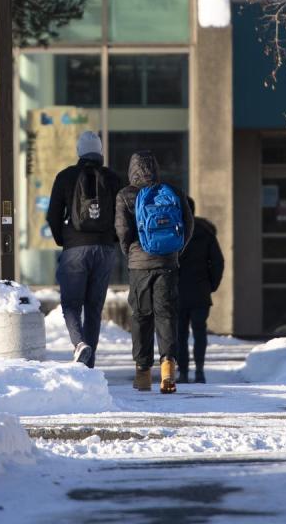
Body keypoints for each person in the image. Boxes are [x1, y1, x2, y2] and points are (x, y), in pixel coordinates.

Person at [115, 151, 194, 394]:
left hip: (139, 264)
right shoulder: (172, 192)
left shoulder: (126, 195)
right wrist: (175, 251)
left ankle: (143, 372)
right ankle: (168, 365)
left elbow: (122, 230)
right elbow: (188, 225)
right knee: (166, 313)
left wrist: (130, 253)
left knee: (141, 315)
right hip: (167, 262)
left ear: (132, 170)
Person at [47, 131, 121, 368]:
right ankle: (90, 364)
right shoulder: (112, 178)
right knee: (94, 307)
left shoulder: (66, 177)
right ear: (100, 151)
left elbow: (53, 215)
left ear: (78, 151)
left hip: (75, 249)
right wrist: (114, 240)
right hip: (105, 249)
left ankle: (79, 344)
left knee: (71, 303)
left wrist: (63, 240)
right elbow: (122, 216)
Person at [176, 197, 224, 384]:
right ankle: (200, 371)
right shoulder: (206, 232)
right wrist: (211, 285)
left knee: (180, 334)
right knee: (199, 332)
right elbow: (218, 262)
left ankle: (183, 372)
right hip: (200, 291)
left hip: (178, 291)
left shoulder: (174, 232)